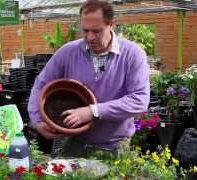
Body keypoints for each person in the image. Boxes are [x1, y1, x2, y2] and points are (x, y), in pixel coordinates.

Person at [28, 0, 150, 157]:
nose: (90, 37)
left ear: (111, 24)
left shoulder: (132, 54)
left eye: (96, 31)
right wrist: (38, 121)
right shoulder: (68, 52)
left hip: (116, 146)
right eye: (85, 31)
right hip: (72, 142)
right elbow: (41, 84)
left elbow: (139, 100)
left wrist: (93, 111)